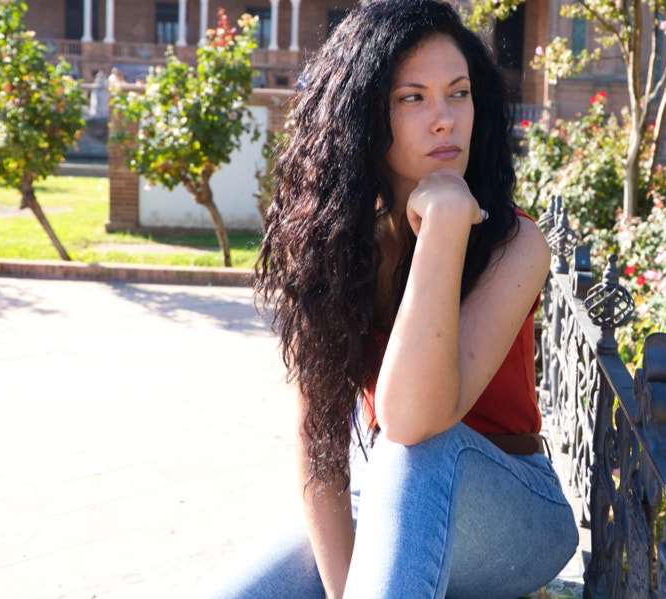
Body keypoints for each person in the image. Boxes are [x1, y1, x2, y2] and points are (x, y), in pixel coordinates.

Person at [248, 1, 578, 597]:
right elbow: (317, 437)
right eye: (412, 98)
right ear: (366, 116)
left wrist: (446, 226)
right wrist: (344, 587)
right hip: (384, 494)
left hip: (514, 512)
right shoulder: (339, 251)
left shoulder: (515, 243)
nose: (445, 119)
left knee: (417, 452)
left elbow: (412, 419)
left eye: (459, 92)